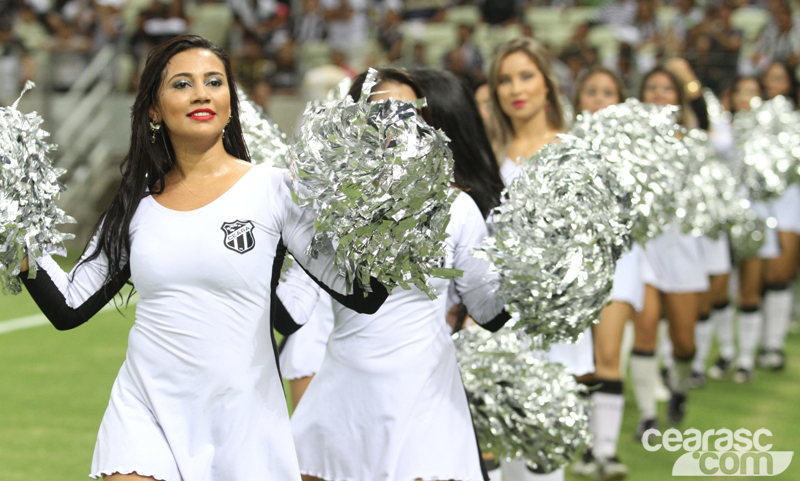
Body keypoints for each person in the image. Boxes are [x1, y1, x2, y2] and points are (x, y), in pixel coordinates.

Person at [18, 35, 388, 481]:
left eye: (214, 82)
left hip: (244, 414)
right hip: (146, 405)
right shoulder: (135, 205)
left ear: (230, 101)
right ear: (153, 110)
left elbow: (363, 293)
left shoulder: (275, 189)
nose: (200, 93)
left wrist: (378, 216)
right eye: (181, 84)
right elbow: (69, 304)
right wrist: (14, 227)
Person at [290, 67, 510, 481]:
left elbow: (489, 311)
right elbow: (289, 308)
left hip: (426, 395)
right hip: (345, 399)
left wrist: (531, 272)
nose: (395, 122)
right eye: (379, 111)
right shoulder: (327, 207)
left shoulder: (457, 207)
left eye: (409, 111)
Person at [485, 37, 594, 481]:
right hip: (494, 320)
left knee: (541, 464)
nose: (516, 88)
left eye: (526, 75)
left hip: (551, 324)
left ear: (548, 84)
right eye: (505, 80)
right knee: (498, 455)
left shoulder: (573, 151)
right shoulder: (486, 158)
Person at [570, 66, 643, 481]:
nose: (598, 99)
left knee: (609, 357)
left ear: (620, 99)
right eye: (591, 91)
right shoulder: (561, 142)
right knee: (582, 362)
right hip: (574, 264)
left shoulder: (639, 149)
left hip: (621, 261)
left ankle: (607, 452)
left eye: (607, 92)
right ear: (578, 99)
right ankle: (582, 448)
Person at [631, 66, 710, 441]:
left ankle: (678, 387)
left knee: (684, 342)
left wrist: (691, 82)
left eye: (667, 88)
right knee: (644, 331)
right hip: (642, 248)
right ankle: (647, 415)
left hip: (682, 249)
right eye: (652, 87)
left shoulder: (694, 142)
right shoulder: (625, 140)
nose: (659, 94)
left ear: (678, 98)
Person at [706, 75, 781, 383]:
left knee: (750, 290)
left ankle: (746, 360)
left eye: (753, 91)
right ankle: (725, 352)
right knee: (719, 291)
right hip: (722, 218)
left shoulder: (773, 133)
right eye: (740, 90)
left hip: (759, 217)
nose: (746, 97)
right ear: (731, 96)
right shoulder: (722, 128)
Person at [756, 61, 800, 370]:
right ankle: (747, 348)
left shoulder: (796, 121)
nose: (773, 84)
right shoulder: (750, 119)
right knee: (754, 277)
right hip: (756, 203)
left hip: (788, 201)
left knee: (780, 275)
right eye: (769, 78)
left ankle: (773, 343)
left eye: (779, 78)